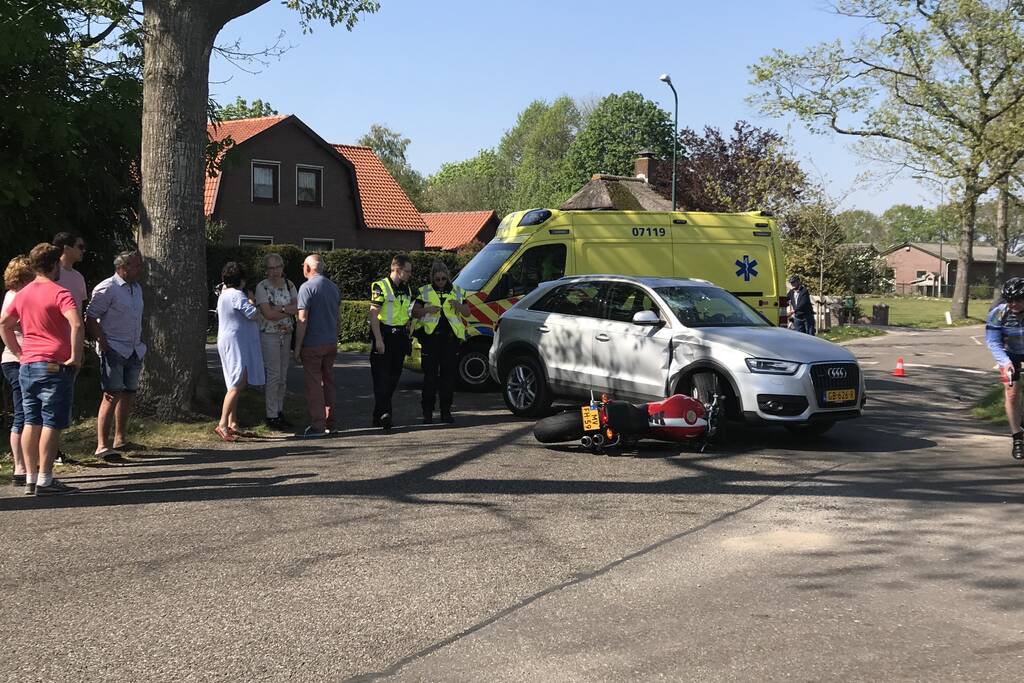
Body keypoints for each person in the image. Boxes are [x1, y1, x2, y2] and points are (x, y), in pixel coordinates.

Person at [0, 243, 83, 495]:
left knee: (30, 420)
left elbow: (4, 323)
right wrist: (75, 357)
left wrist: (18, 352)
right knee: (51, 422)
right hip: (53, 364)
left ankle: (30, 477)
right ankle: (45, 479)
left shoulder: (22, 294)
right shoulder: (60, 292)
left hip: (27, 365)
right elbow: (76, 324)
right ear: (55, 264)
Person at [85, 250, 145, 457]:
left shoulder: (136, 288)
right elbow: (91, 317)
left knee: (128, 393)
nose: (139, 270)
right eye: (136, 266)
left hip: (134, 348)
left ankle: (120, 439)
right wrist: (101, 340)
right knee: (111, 395)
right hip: (114, 348)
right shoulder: (107, 287)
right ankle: (102, 445)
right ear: (122, 267)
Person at [413, 260, 469, 424]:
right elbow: (414, 312)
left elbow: (467, 313)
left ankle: (446, 412)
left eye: (443, 279)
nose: (440, 282)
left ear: (448, 277)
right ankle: (427, 413)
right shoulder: (425, 291)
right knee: (430, 378)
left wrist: (458, 306)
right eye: (437, 279)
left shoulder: (458, 291)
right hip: (431, 339)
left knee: (448, 378)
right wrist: (427, 310)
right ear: (433, 278)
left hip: (450, 340)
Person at [214, 262, 264, 442]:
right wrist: (252, 301)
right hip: (236, 342)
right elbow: (253, 314)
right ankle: (222, 424)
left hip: (228, 339)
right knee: (238, 381)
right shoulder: (236, 295)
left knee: (232, 381)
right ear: (241, 280)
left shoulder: (224, 294)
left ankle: (232, 422)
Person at [293, 254, 340, 437]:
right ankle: (330, 422)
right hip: (330, 343)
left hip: (312, 344)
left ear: (307, 268)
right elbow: (338, 318)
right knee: (328, 382)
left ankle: (317, 425)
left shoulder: (306, 288)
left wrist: (297, 347)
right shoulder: (333, 287)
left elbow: (302, 319)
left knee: (314, 385)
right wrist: (335, 339)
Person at [369, 254, 414, 432]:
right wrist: (378, 339)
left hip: (400, 337)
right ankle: (386, 414)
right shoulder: (380, 286)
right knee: (381, 378)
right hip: (385, 335)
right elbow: (374, 314)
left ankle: (377, 415)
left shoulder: (406, 288)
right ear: (397, 269)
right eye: (407, 271)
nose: (409, 274)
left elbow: (406, 313)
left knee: (394, 378)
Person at [254, 253, 298, 430]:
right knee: (273, 375)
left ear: (282, 268)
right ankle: (271, 414)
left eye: (277, 267)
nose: (274, 271)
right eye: (271, 268)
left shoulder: (289, 284)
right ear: (266, 270)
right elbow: (268, 314)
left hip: (286, 334)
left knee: (283, 375)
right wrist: (287, 310)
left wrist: (280, 308)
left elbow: (298, 307)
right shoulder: (262, 287)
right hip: (269, 335)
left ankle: (280, 411)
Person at [1, 256, 34, 489]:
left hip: (27, 359)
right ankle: (20, 467)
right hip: (15, 361)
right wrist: (20, 354)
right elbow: (5, 326)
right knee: (22, 413)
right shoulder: (14, 297)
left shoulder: (20, 295)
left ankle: (30, 464)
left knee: (30, 413)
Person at [985, 277, 1024, 461]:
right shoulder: (998, 313)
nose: (1013, 304)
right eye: (1010, 300)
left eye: (1018, 300)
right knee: (1012, 393)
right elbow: (993, 342)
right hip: (1009, 352)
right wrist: (1005, 362)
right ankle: (1017, 437)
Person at [52, 232, 87, 313]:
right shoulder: (50, 274)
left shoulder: (79, 277)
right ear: (66, 248)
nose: (83, 250)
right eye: (80, 247)